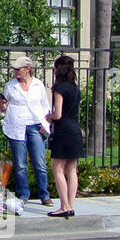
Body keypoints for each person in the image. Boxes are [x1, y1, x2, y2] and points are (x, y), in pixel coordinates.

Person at [0, 54, 53, 207]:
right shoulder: (10, 86)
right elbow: (4, 108)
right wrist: (2, 104)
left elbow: (45, 106)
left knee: (39, 162)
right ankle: (23, 194)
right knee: (20, 164)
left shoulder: (38, 85)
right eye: (14, 70)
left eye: (18, 70)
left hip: (35, 125)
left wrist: (45, 124)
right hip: (17, 126)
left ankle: (44, 194)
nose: (15, 73)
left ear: (28, 69)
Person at [45, 55, 83, 218]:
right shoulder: (75, 88)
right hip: (75, 130)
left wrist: (49, 116)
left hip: (63, 131)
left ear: (58, 70)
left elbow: (58, 114)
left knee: (58, 169)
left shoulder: (59, 89)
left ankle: (64, 206)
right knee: (72, 170)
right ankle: (71, 205)